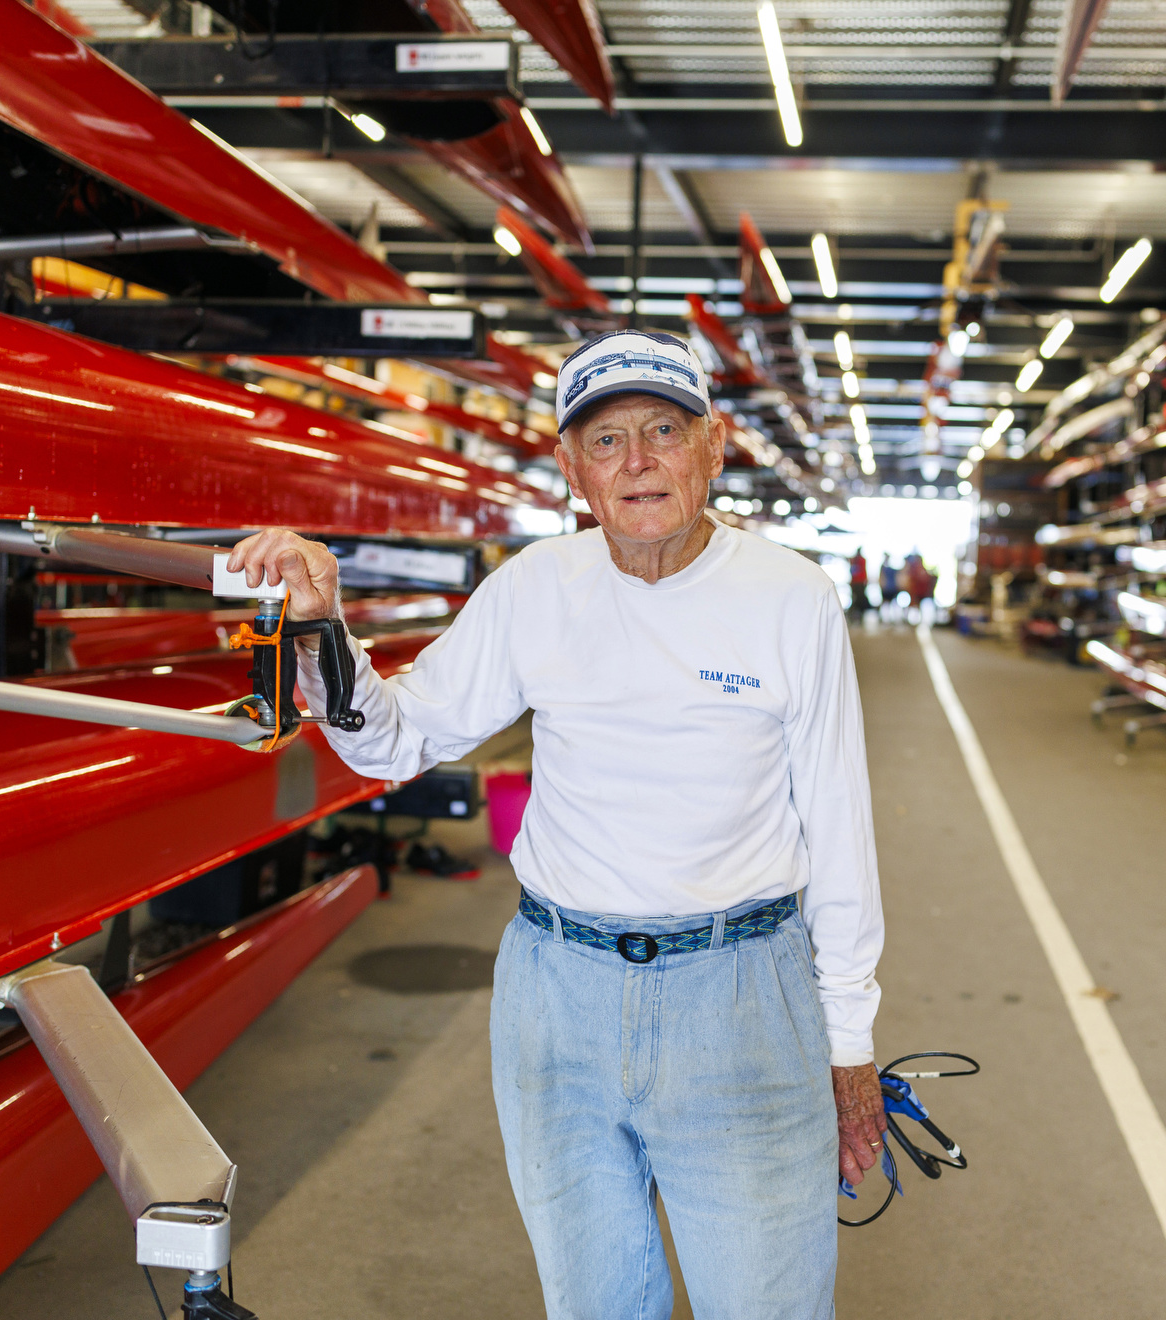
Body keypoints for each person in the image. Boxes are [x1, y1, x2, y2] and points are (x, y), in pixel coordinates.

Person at [226, 329, 886, 1319]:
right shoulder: (535, 589)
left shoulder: (790, 598)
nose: (638, 461)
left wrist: (849, 1041)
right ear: (574, 472)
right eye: (607, 441)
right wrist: (322, 627)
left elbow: (839, 826)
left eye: (664, 431)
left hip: (740, 999)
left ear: (713, 447)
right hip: (556, 998)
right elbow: (395, 740)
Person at [847, 546, 869, 620]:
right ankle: (854, 615)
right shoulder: (855, 560)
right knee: (856, 599)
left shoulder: (859, 560)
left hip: (859, 582)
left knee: (859, 599)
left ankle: (858, 615)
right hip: (857, 583)